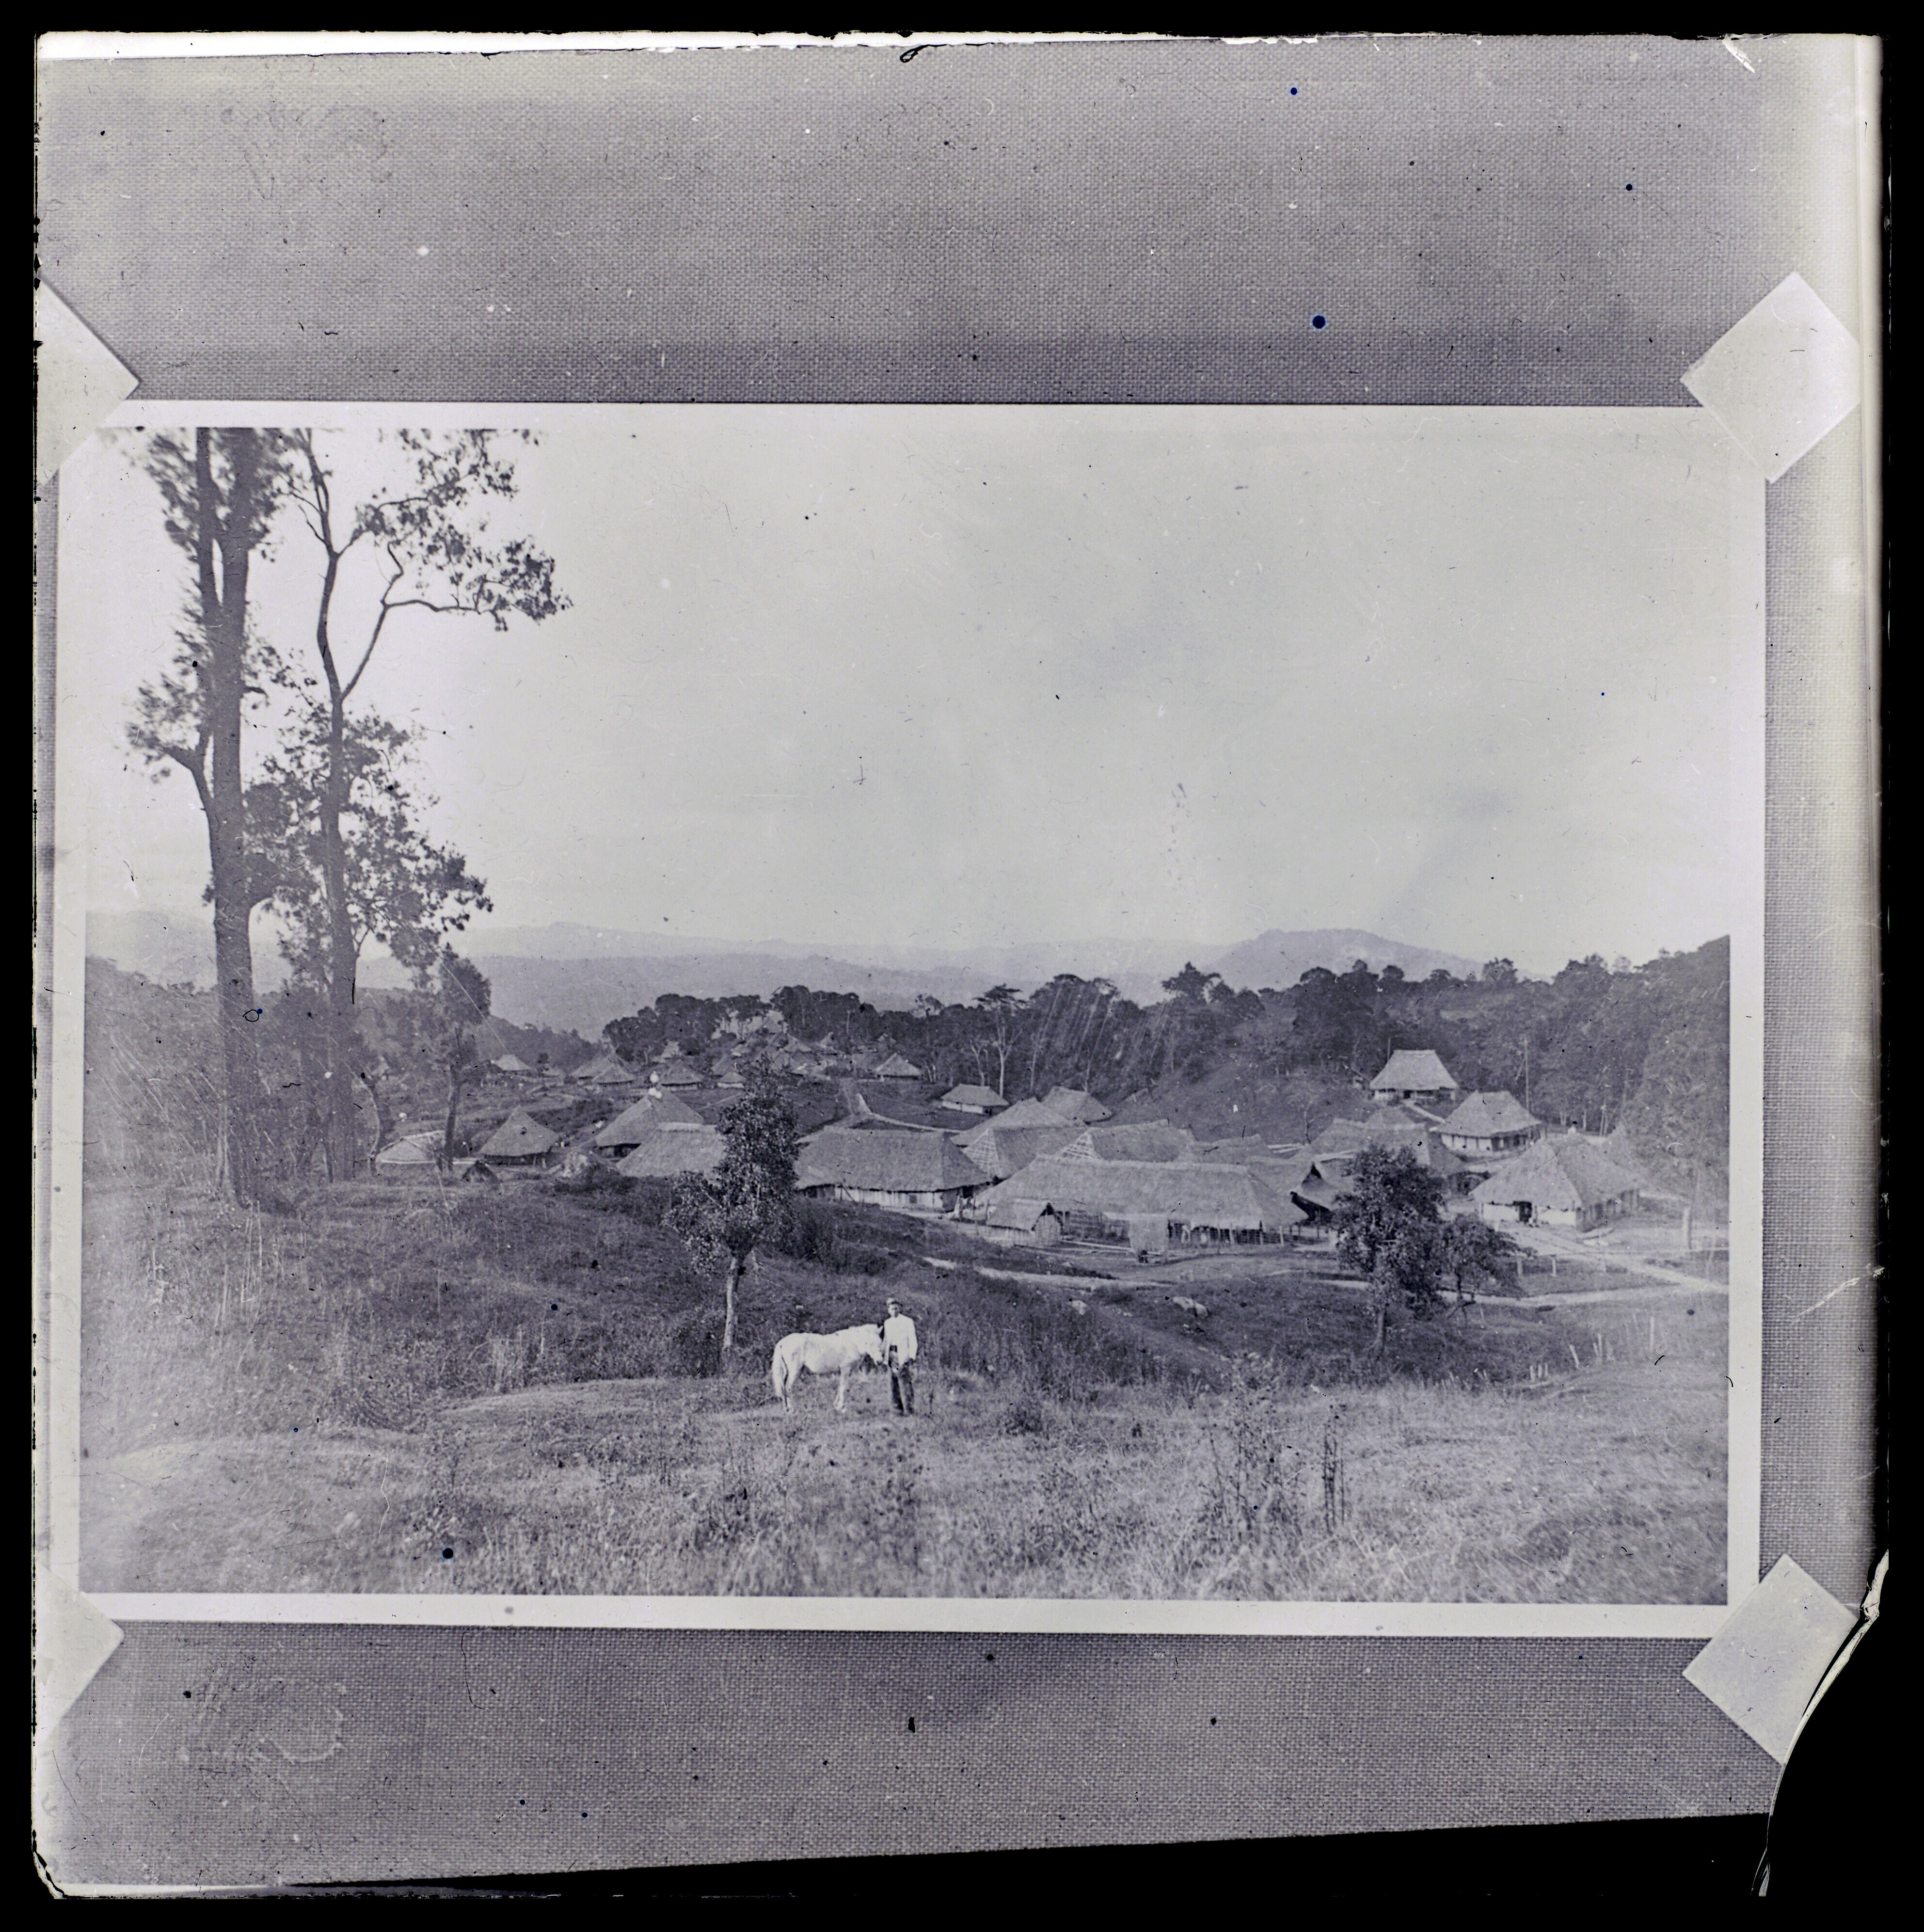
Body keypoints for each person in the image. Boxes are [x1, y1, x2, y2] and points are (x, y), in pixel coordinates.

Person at [880, 1297, 919, 1416]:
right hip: (891, 1355)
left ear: (900, 1309)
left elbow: (913, 1340)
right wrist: (881, 1354)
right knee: (893, 1383)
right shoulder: (887, 1323)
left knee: (905, 1382)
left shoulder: (907, 1321)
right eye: (892, 1309)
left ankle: (909, 1410)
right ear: (889, 1311)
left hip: (903, 1355)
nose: (895, 1311)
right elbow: (886, 1340)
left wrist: (911, 1356)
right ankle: (897, 1410)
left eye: (896, 1308)